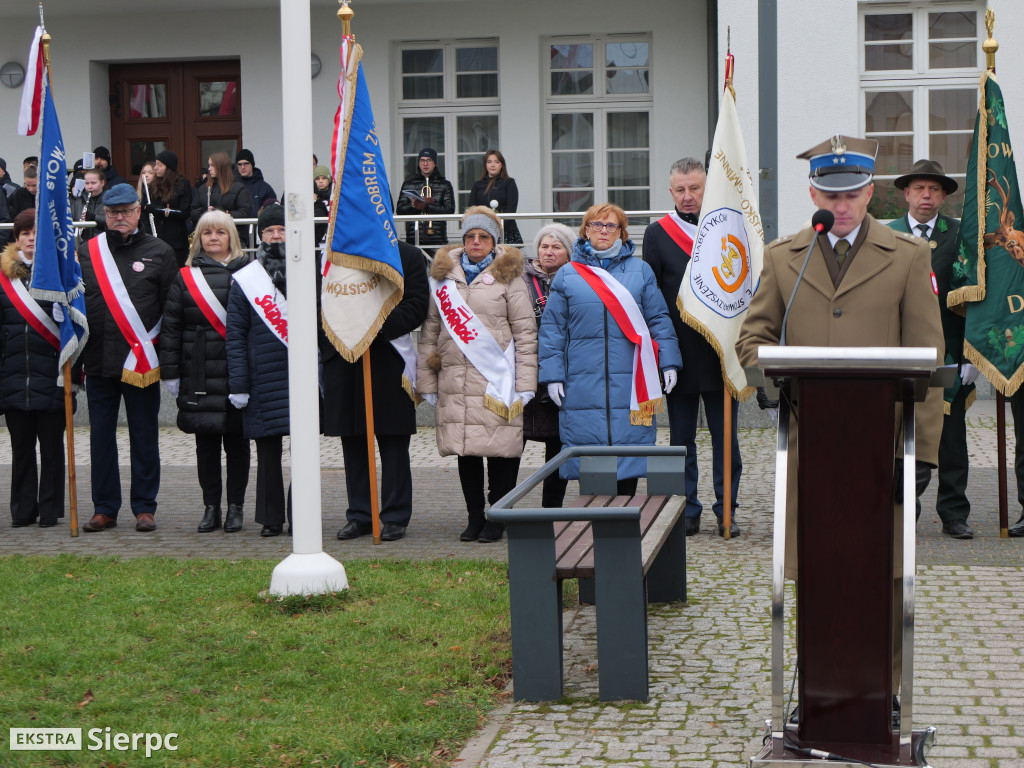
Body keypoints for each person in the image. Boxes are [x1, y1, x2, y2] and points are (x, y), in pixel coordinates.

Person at [735, 135, 945, 706]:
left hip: (884, 447)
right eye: (830, 195)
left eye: (852, 194)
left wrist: (922, 455)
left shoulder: (907, 256)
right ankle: (821, 687)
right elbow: (753, 339)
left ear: (870, 192)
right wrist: (774, 374)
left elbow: (927, 359)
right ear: (813, 193)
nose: (841, 206)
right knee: (821, 568)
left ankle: (884, 692)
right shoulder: (785, 259)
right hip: (813, 443)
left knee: (885, 572)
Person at [538, 204, 681, 497]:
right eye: (597, 225)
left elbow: (658, 320)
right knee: (590, 465)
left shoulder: (641, 271)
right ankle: (590, 533)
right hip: (582, 385)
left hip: (631, 383)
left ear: (622, 232)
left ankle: (624, 526)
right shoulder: (567, 275)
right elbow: (552, 331)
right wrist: (552, 375)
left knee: (629, 458)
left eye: (611, 226)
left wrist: (668, 362)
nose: (604, 231)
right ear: (586, 230)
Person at [416, 206, 537, 543]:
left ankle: (498, 516)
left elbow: (526, 333)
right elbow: (430, 331)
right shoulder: (442, 277)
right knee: (465, 450)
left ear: (494, 240)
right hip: (455, 379)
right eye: (470, 236)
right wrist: (427, 381)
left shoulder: (510, 276)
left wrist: (527, 384)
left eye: (483, 236)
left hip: (497, 378)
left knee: (501, 451)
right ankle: (474, 518)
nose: (476, 242)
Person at [643, 157, 742, 538]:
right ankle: (687, 511)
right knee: (681, 440)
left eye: (695, 188)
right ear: (671, 192)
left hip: (720, 353)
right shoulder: (657, 234)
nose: (687, 197)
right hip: (678, 355)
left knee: (726, 440)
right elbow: (651, 297)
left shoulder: (730, 228)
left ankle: (726, 509)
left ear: (707, 187)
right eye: (680, 190)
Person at [78, 184, 179, 533]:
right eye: (112, 213)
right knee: (101, 438)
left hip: (141, 363)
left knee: (144, 435)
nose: (119, 218)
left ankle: (144, 507)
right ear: (103, 214)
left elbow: (171, 310)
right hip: (98, 360)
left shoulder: (161, 251)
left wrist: (169, 361)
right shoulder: (87, 252)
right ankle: (104, 508)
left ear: (139, 211)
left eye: (125, 211)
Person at [888, 159, 977, 540]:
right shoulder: (885, 235)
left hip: (950, 351)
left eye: (934, 190)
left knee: (951, 437)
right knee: (902, 434)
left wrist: (972, 355)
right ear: (906, 194)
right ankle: (906, 510)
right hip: (898, 350)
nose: (927, 196)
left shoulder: (959, 235)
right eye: (919, 189)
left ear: (943, 196)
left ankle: (954, 512)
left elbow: (975, 297)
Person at [327, 240, 429, 542]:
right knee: (354, 441)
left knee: (394, 443)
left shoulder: (407, 256)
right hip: (345, 357)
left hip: (387, 356)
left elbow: (416, 304)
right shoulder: (337, 255)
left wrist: (373, 327)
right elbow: (322, 302)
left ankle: (395, 515)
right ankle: (360, 514)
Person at [161, 211, 252, 533]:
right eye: (207, 232)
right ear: (198, 238)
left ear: (232, 238)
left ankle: (236, 507)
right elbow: (171, 329)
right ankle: (211, 507)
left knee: (238, 444)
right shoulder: (184, 277)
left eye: (221, 232)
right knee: (206, 445)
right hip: (199, 373)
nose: (214, 237)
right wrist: (171, 374)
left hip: (239, 374)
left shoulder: (249, 274)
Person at [0, 210, 80, 527]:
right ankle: (22, 510)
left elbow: (78, 328)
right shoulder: (4, 279)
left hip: (53, 377)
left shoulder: (60, 275)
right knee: (21, 450)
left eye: (36, 233)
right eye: (25, 233)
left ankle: (49, 510)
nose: (31, 238)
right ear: (16, 239)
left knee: (51, 449)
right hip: (14, 378)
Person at [226, 204, 291, 537]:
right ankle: (270, 518)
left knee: (305, 453)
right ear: (260, 236)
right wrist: (239, 384)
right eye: (270, 231)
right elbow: (235, 334)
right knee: (267, 452)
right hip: (262, 377)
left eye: (282, 229)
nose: (276, 236)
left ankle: (301, 515)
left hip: (299, 376)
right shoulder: (247, 279)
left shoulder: (307, 272)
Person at [521, 222, 574, 508]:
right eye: (544, 246)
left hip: (561, 375)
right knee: (512, 446)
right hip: (526, 373)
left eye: (556, 246)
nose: (549, 252)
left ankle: (551, 511)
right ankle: (503, 507)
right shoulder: (520, 280)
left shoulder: (577, 279)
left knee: (557, 447)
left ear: (569, 252)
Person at [395, 148, 455, 255]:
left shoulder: (445, 184)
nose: (425, 163)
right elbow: (400, 210)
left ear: (435, 163)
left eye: (429, 160)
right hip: (413, 239)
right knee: (415, 271)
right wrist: (414, 206)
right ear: (419, 163)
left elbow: (449, 209)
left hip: (437, 239)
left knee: (437, 271)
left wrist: (426, 206)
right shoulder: (408, 184)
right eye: (422, 160)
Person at [191, 151, 254, 236]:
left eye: (212, 165)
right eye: (209, 165)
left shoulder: (238, 188)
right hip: (207, 235)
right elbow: (193, 212)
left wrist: (222, 214)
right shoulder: (203, 189)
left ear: (222, 166)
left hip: (232, 236)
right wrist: (206, 212)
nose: (209, 169)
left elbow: (245, 212)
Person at [148, 150, 194, 267]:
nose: (156, 168)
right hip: (157, 237)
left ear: (169, 167)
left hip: (176, 241)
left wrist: (159, 211)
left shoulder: (182, 184)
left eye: (160, 165)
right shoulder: (153, 185)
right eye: (156, 164)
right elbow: (146, 209)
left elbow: (184, 212)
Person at [468, 150, 522, 244]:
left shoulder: (509, 183)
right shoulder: (478, 185)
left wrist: (498, 227)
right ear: (485, 165)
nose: (493, 165)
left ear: (502, 165)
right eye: (489, 162)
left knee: (507, 258)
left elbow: (511, 209)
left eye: (497, 162)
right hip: (483, 231)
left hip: (505, 230)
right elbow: (472, 208)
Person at [70, 168, 106, 247]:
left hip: (103, 244)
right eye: (87, 183)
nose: (90, 187)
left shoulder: (109, 200)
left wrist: (94, 217)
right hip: (83, 245)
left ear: (102, 183)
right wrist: (73, 199)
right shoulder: (79, 200)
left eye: (93, 183)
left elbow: (111, 221)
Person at [234, 149, 277, 215]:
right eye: (239, 164)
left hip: (258, 224)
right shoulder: (231, 187)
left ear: (252, 164)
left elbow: (273, 211)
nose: (242, 167)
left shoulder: (265, 188)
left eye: (246, 163)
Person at [313, 165, 332, 245]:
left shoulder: (336, 194)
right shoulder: (312, 197)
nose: (320, 181)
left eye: (324, 178)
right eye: (317, 179)